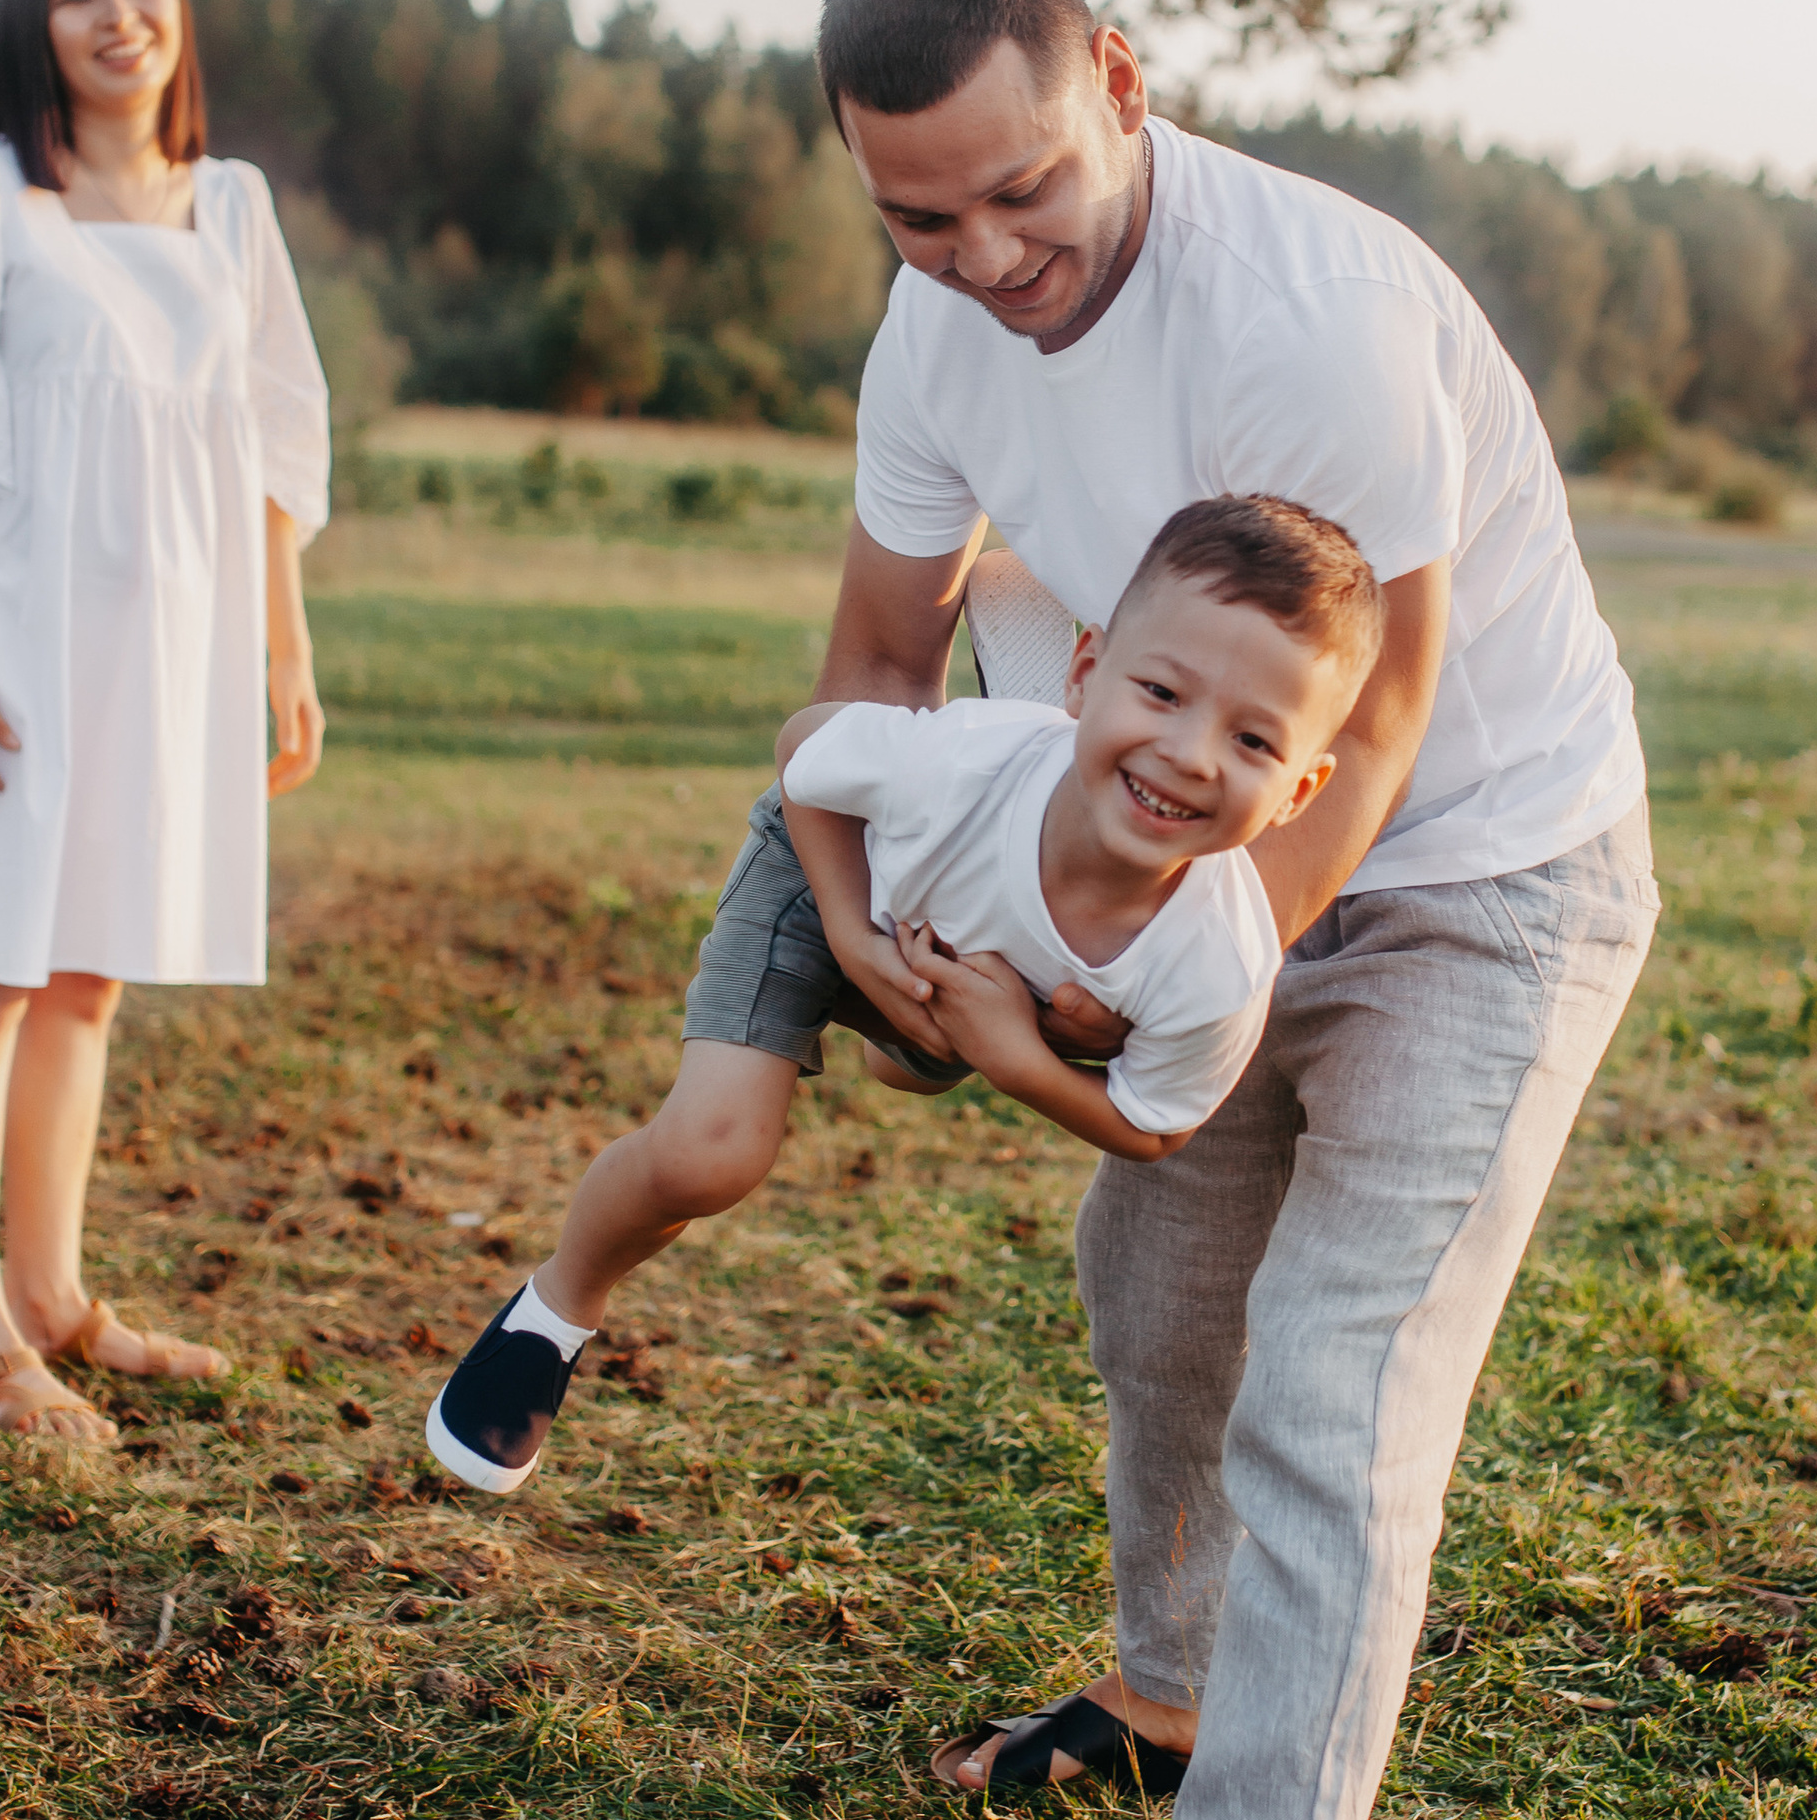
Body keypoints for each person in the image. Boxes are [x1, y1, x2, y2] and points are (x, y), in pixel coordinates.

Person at [801, 0, 1659, 1820]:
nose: (983, 253)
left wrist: (1150, 990)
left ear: (1116, 70)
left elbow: (1369, 726)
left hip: (1473, 874)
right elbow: (875, 656)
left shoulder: (1312, 318)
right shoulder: (935, 337)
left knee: (1328, 1384)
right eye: (917, 213)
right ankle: (1163, 1696)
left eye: (1022, 189)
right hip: (1202, 849)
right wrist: (862, 933)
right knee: (1151, 1294)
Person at [423, 495, 1382, 1498]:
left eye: (1254, 743)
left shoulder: (1217, 960)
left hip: (968, 956)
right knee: (715, 1151)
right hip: (834, 856)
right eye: (1161, 693)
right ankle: (556, 1308)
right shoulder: (952, 763)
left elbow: (1155, 1126)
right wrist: (852, 933)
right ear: (1093, 669)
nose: (1191, 755)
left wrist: (1016, 1055)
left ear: (1301, 793)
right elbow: (805, 752)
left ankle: (1029, 754)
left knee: (913, 1069)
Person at [0, 0, 332, 1444]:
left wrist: (282, 641)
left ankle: (57, 1299)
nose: (120, 14)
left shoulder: (235, 205)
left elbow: (270, 436)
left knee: (87, 976)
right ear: (32, 29)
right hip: (5, 625)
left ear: (175, 8)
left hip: (164, 639)